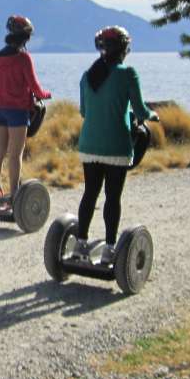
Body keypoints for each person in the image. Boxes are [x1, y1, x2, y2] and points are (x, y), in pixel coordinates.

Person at [75, 26, 158, 259]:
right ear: (124, 48)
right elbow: (140, 109)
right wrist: (152, 115)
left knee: (90, 193)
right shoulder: (128, 73)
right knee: (112, 197)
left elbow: (84, 111)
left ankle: (81, 242)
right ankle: (110, 248)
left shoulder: (87, 75)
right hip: (116, 145)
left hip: (89, 144)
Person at [0, 14, 52, 207]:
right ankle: (15, 194)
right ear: (26, 38)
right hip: (17, 111)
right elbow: (35, 87)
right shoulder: (23, 58)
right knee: (15, 154)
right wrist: (46, 94)